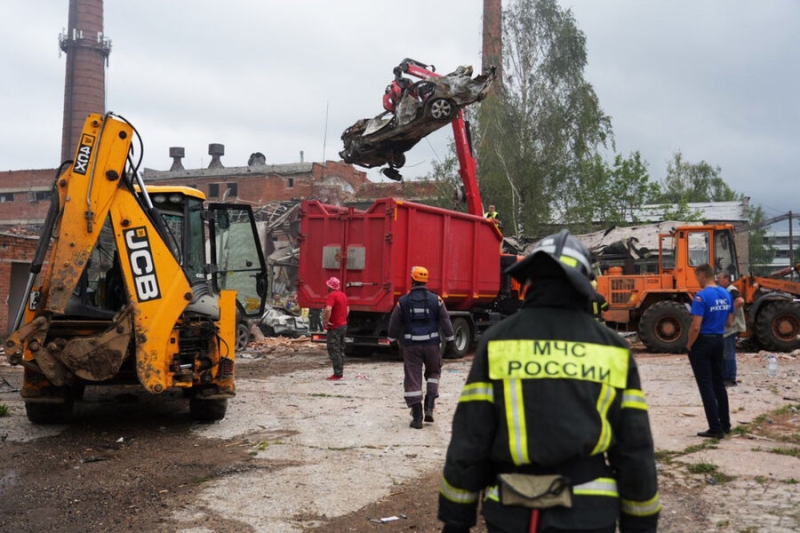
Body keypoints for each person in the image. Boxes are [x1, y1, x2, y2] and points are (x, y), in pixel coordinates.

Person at [438, 230, 660, 533]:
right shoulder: (612, 349)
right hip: (590, 515)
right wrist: (641, 524)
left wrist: (456, 520)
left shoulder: (497, 342)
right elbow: (635, 449)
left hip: (512, 514)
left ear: (528, 283)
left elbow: (469, 440)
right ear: (584, 284)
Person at [387, 266, 455, 429]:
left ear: (412, 280)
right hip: (432, 345)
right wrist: (451, 340)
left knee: (413, 377)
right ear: (426, 280)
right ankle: (429, 406)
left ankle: (417, 417)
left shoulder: (403, 301)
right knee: (433, 373)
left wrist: (391, 341)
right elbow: (445, 320)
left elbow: (394, 323)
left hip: (411, 347)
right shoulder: (436, 300)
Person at [686, 264, 734, 439]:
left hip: (703, 342)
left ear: (701, 275)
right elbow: (729, 322)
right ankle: (725, 423)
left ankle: (715, 428)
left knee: (705, 385)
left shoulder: (700, 297)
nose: (696, 280)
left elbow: (696, 326)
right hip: (719, 340)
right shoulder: (726, 294)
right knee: (719, 384)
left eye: (696, 277)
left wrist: (689, 345)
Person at [715, 271, 746, 387]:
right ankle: (724, 377)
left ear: (727, 279)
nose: (718, 280)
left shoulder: (731, 290)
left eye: (720, 278)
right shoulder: (724, 291)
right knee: (724, 352)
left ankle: (730, 378)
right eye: (717, 278)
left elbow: (740, 301)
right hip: (728, 326)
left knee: (728, 352)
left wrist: (727, 312)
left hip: (731, 326)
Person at [322, 277, 349, 381]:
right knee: (341, 348)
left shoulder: (331, 296)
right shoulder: (343, 295)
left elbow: (328, 309)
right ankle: (340, 371)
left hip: (335, 326)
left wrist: (326, 321)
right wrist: (342, 318)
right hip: (343, 325)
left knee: (333, 348)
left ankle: (338, 374)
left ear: (330, 286)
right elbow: (347, 309)